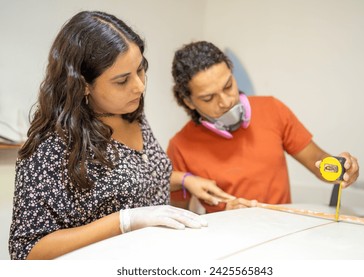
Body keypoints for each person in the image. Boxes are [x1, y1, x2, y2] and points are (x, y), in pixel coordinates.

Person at [8, 12, 232, 260]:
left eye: (140, 70)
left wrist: (186, 180)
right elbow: (26, 251)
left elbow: (131, 179)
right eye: (122, 80)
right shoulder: (51, 147)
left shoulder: (130, 112)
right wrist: (123, 222)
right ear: (82, 84)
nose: (139, 86)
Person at [168, 41, 360, 213]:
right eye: (209, 98)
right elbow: (181, 217)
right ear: (189, 102)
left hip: (281, 234)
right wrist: (225, 214)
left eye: (228, 86)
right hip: (226, 241)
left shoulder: (272, 109)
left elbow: (318, 162)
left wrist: (342, 168)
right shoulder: (180, 146)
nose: (226, 102)